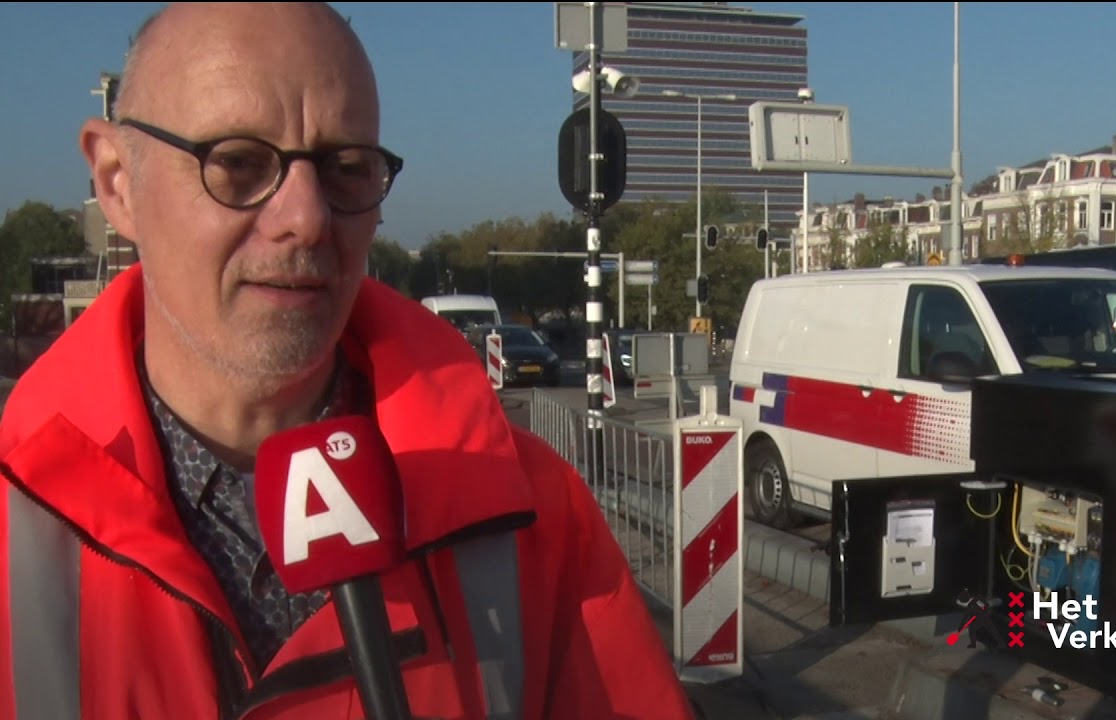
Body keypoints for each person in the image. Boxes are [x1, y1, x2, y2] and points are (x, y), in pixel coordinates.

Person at [0, 4, 693, 719]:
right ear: (117, 182)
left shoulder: (535, 515)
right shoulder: (14, 521)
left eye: (347, 169)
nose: (306, 217)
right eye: (237, 163)